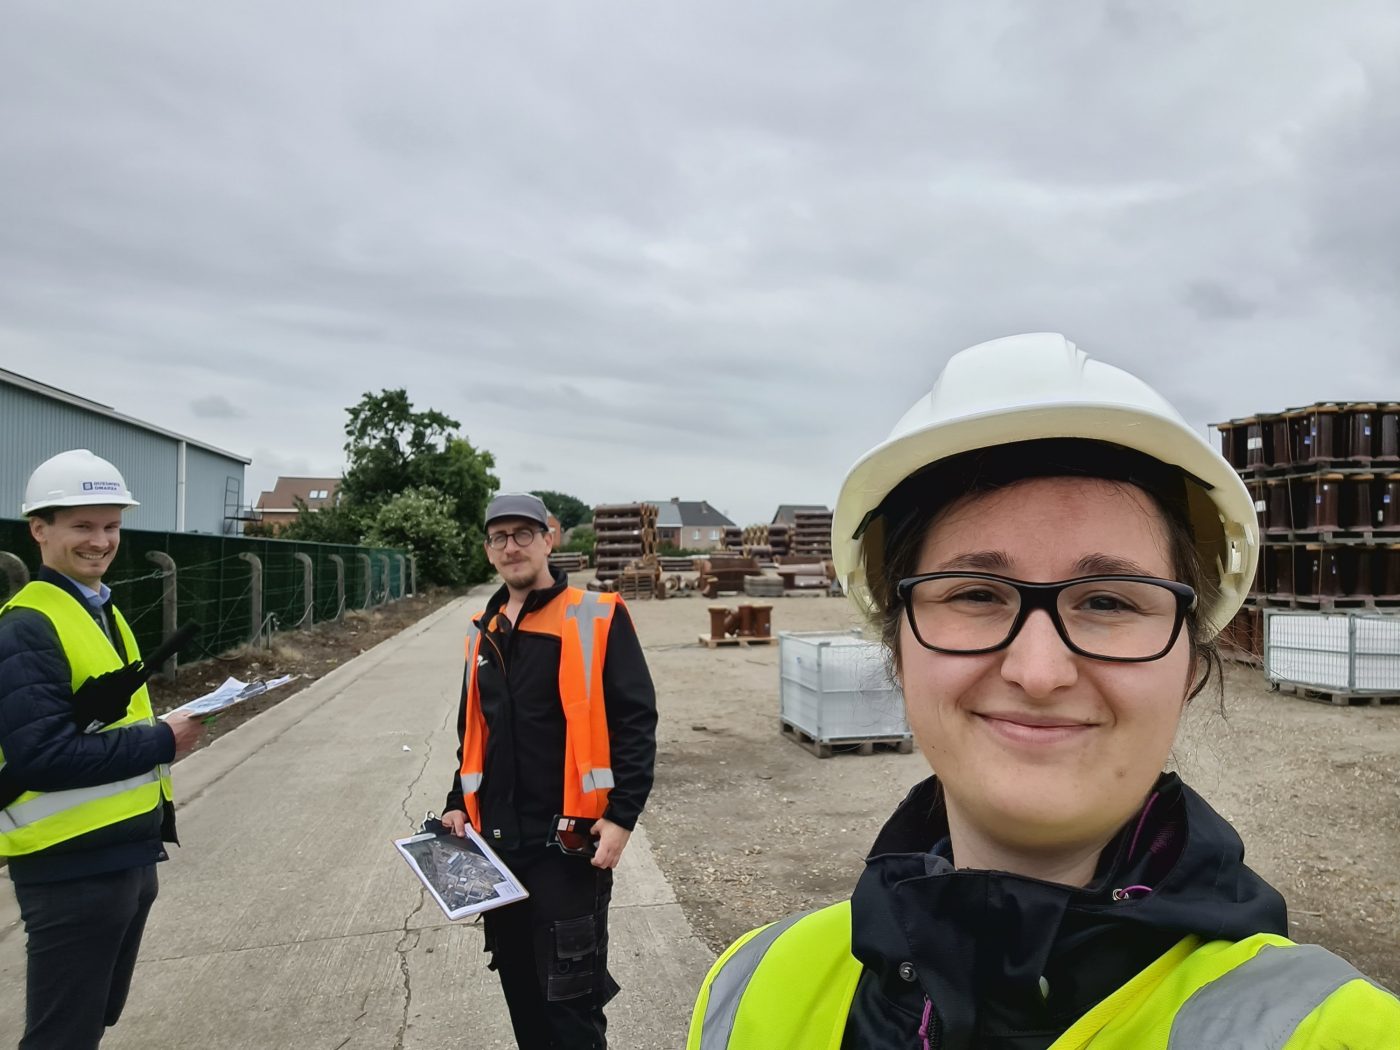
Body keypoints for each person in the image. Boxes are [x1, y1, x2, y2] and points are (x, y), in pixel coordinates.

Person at [688, 334, 1400, 1049]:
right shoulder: (753, 990)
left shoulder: (1336, 1033)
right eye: (974, 594)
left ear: (1188, 665)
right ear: (898, 649)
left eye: (1109, 602)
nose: (1039, 671)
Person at [0, 449, 205, 1049]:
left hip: (121, 855)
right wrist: (164, 739)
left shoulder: (95, 608)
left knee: (90, 1020)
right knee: (62, 1033)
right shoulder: (27, 627)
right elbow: (44, 757)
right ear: (39, 529)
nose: (101, 540)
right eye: (82, 526)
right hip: (71, 867)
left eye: (111, 525)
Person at [440, 492, 657, 1049]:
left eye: (523, 534)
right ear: (488, 551)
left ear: (549, 539)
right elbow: (475, 731)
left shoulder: (596, 615)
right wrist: (456, 802)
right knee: (521, 993)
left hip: (567, 845)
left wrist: (623, 814)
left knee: (569, 1002)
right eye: (499, 538)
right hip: (499, 847)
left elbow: (636, 720)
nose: (511, 547)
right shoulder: (482, 628)